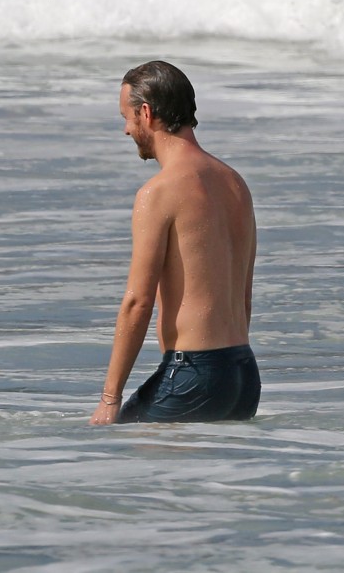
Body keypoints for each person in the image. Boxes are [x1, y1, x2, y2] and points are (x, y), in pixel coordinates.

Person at [90, 61, 260, 425]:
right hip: (243, 374)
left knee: (111, 455)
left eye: (127, 117)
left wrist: (110, 398)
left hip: (193, 374)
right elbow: (243, 293)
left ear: (146, 113)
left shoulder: (159, 192)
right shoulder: (235, 184)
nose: (125, 130)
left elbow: (138, 302)